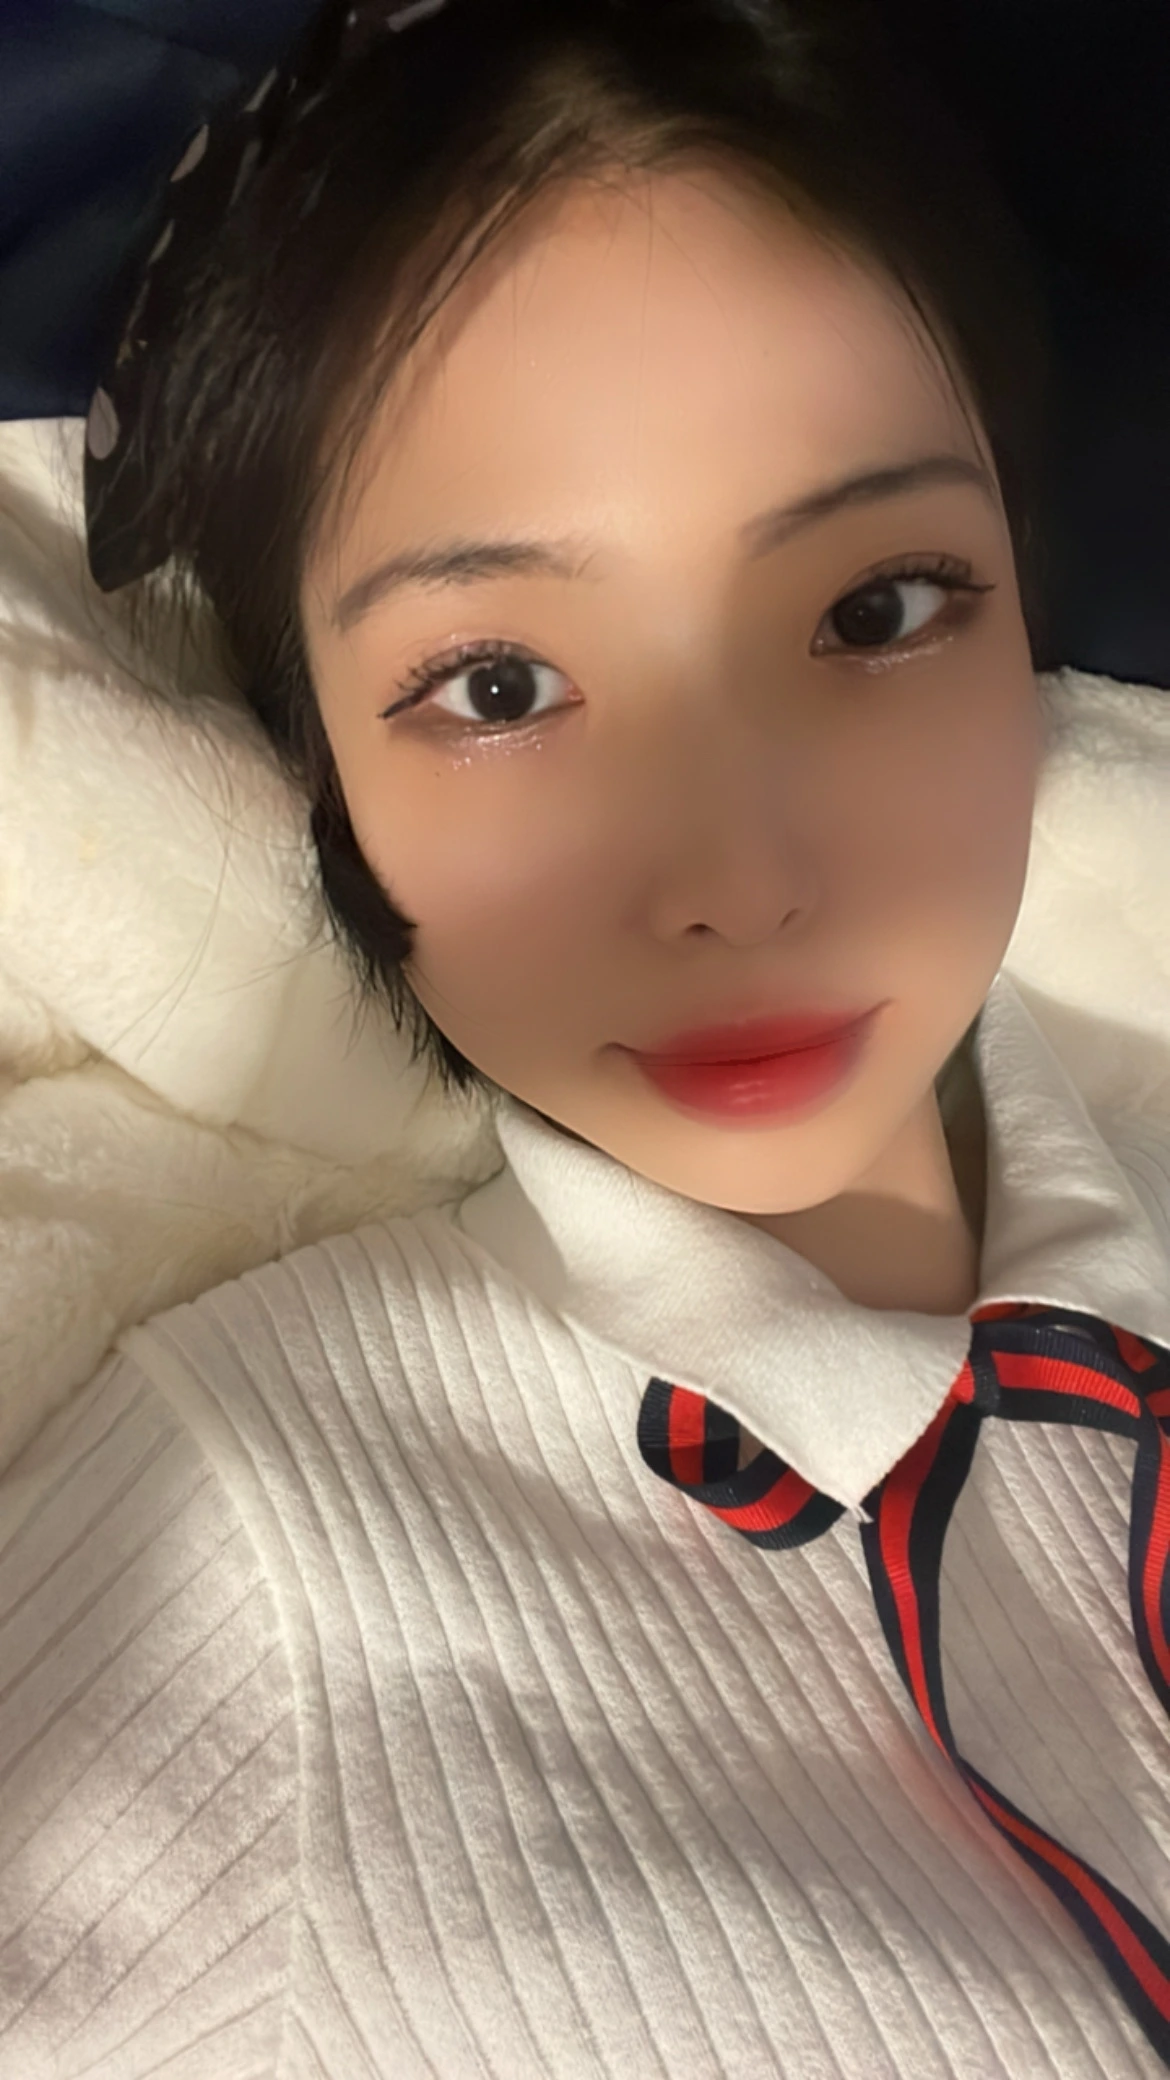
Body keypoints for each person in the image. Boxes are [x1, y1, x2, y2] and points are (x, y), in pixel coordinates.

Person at [2, 0, 1168, 2073]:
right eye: (499, 687)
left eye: (875, 609)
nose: (737, 878)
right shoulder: (250, 1551)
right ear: (316, 770)